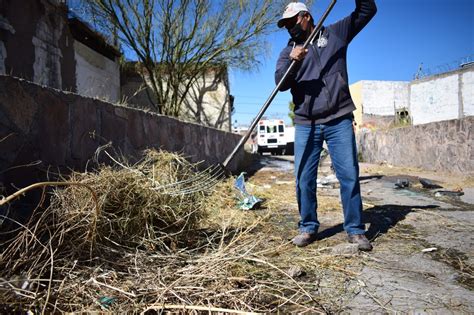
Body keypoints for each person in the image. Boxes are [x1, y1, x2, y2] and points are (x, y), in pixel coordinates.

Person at [275, 1, 377, 250]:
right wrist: (294, 61)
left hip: (338, 118)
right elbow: (280, 83)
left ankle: (354, 229)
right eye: (285, 25)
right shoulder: (287, 52)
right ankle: (308, 227)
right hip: (306, 123)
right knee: (303, 179)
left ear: (306, 17)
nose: (289, 28)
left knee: (349, 176)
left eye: (292, 22)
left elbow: (366, 11)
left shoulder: (334, 34)